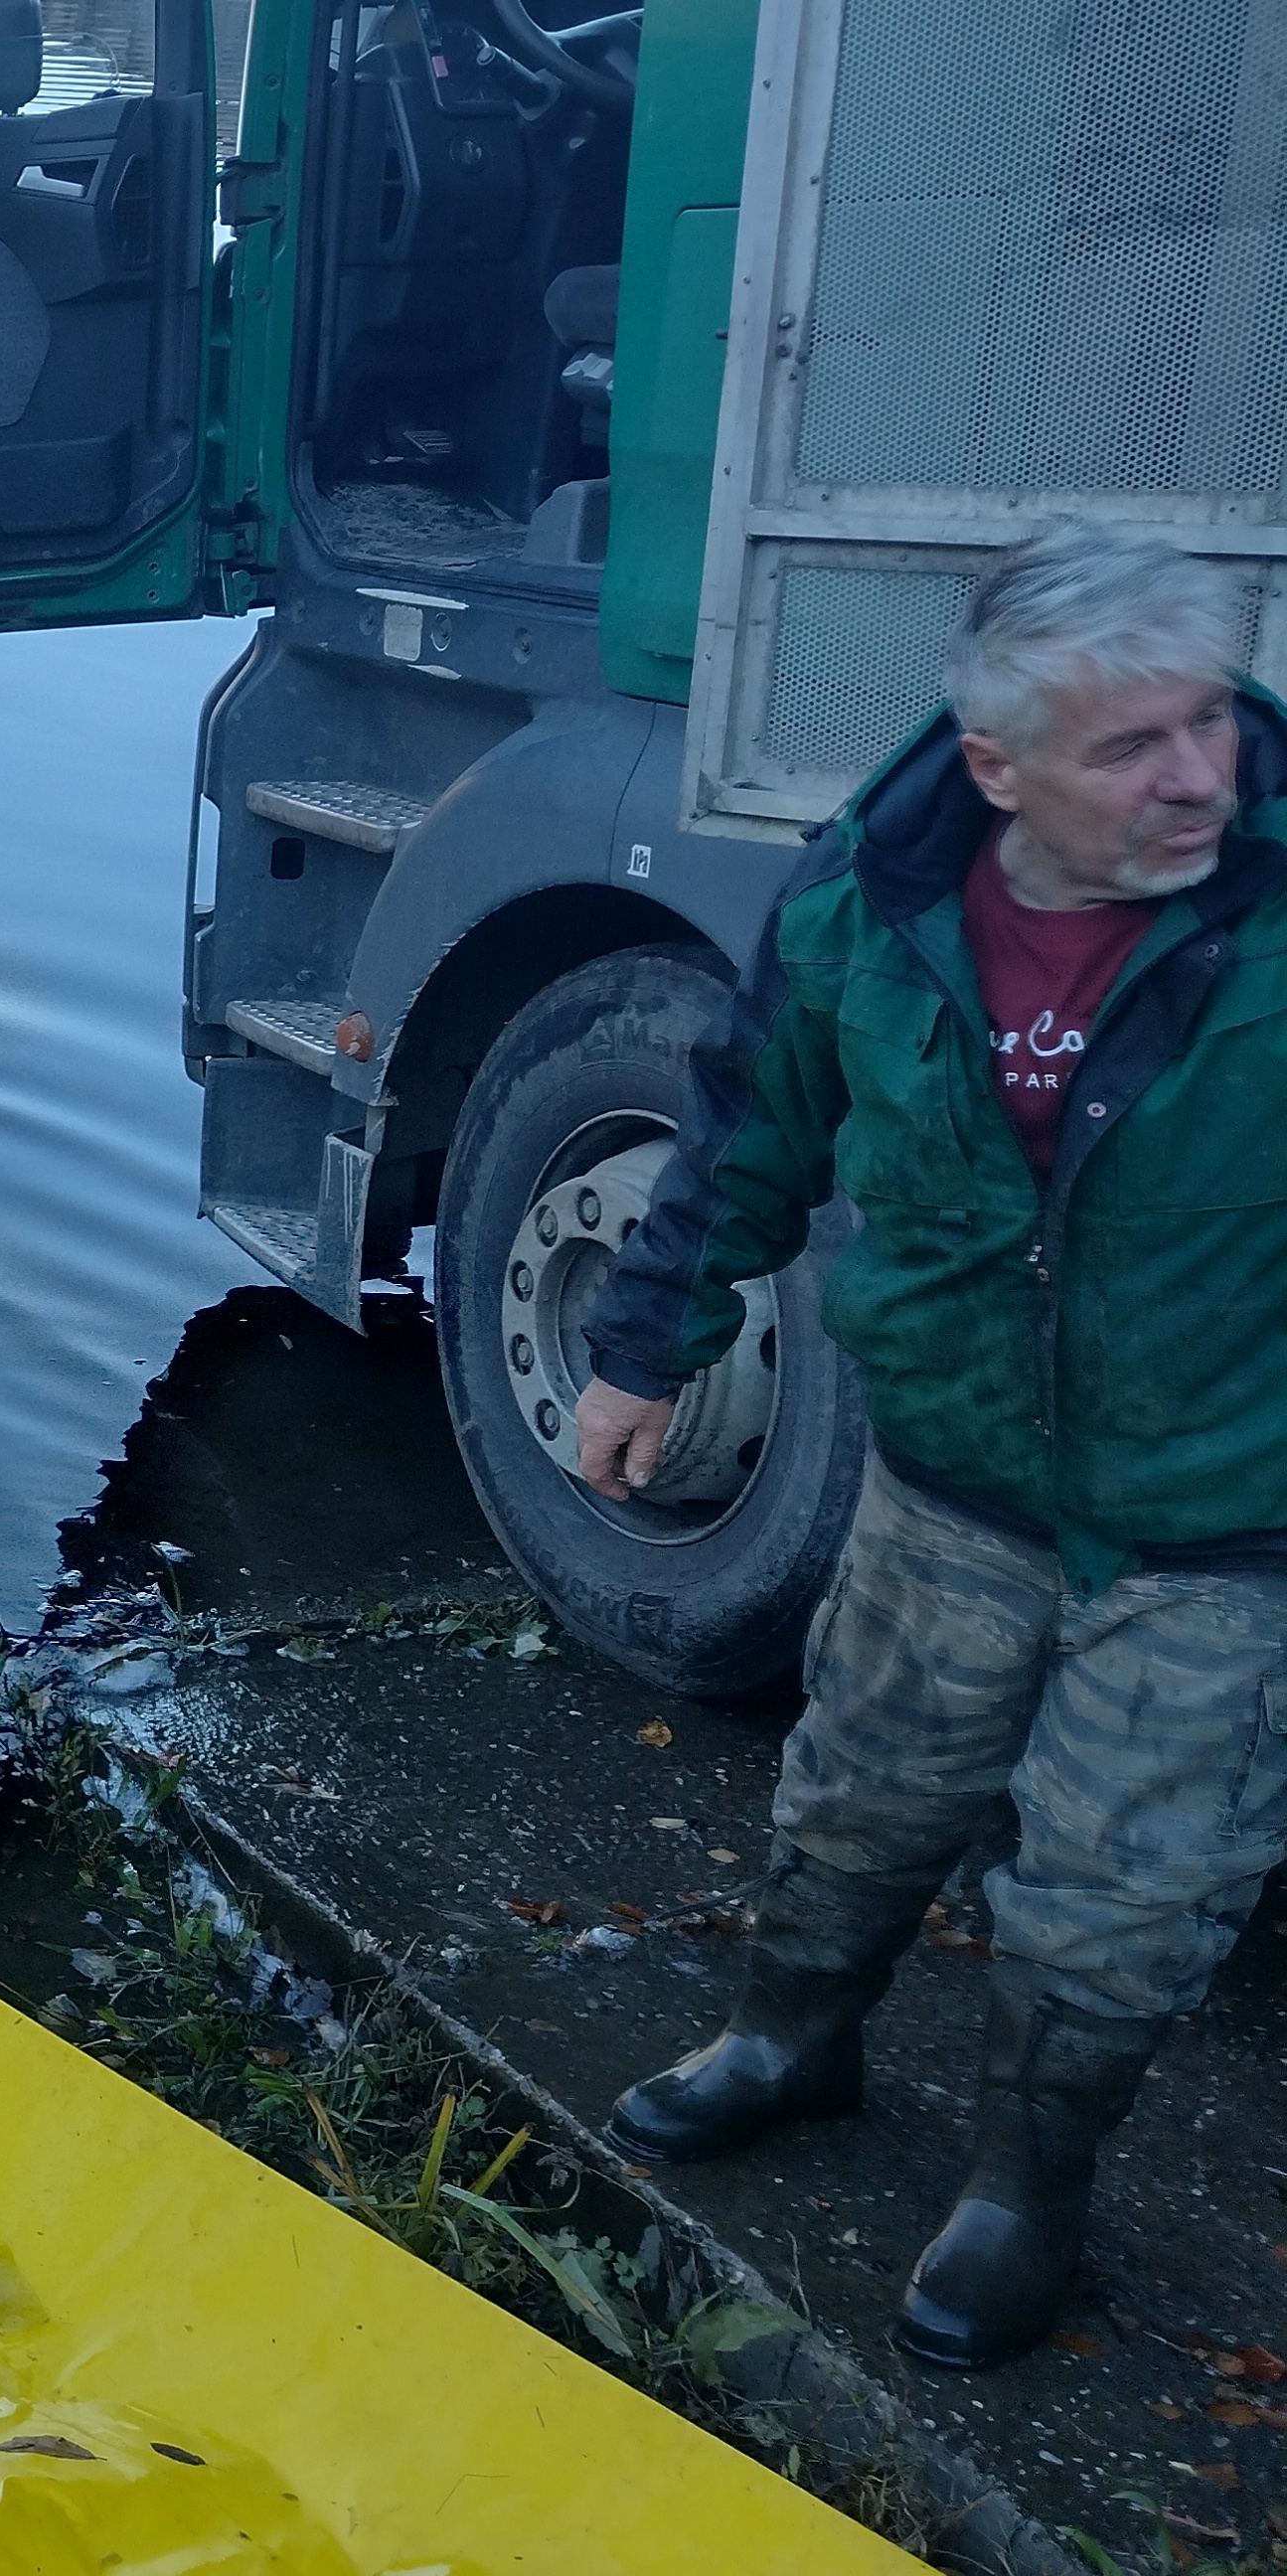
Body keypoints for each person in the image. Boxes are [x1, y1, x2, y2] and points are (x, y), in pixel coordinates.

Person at [577, 520, 1286, 2371]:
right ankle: (790, 2042)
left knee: (1127, 1888)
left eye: (1208, 718)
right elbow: (748, 1124)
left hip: (1222, 1522)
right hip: (950, 1478)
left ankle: (1026, 2181)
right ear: (997, 768)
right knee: (859, 1791)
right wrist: (643, 1343)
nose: (1199, 773)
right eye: (1133, 745)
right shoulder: (862, 905)